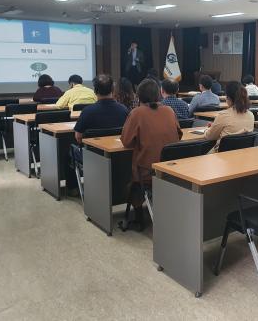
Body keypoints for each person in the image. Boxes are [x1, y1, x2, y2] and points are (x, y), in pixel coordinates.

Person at [120, 79, 182, 231]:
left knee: (130, 179)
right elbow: (179, 135)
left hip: (146, 173)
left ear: (139, 96)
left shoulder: (137, 113)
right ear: (159, 94)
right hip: (170, 170)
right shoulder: (169, 111)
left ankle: (139, 218)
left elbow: (126, 142)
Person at [74, 74, 128, 144]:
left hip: (92, 150)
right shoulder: (123, 109)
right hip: (117, 148)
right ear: (112, 89)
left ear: (95, 91)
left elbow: (78, 137)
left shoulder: (87, 111)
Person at [204, 81, 254, 151]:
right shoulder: (251, 115)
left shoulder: (223, 115)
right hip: (241, 154)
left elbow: (210, 137)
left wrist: (207, 129)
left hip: (220, 155)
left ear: (229, 98)